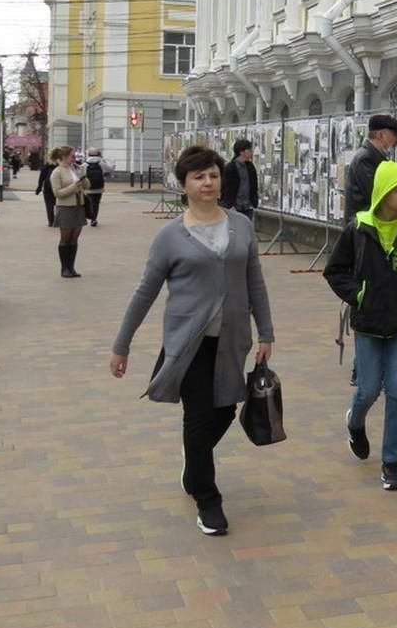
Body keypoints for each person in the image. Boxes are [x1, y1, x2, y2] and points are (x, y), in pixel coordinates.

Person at [109, 145, 275, 537]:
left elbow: (255, 281)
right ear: (183, 184)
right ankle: (208, 498)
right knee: (199, 417)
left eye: (213, 175)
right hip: (188, 344)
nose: (208, 182)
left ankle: (193, 458)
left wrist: (265, 331)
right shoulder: (170, 236)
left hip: (232, 340)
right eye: (198, 176)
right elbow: (145, 291)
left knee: (224, 412)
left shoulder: (241, 227)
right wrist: (122, 344)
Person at [325, 161, 397, 491]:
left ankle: (391, 463)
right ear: (384, 194)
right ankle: (355, 422)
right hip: (368, 323)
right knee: (369, 388)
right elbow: (335, 271)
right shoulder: (357, 229)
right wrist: (360, 295)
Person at [344, 115, 397, 395]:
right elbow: (379, 199)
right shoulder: (367, 160)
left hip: (378, 237)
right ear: (380, 135)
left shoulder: (373, 159)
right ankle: (373, 374)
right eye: (394, 135)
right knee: (373, 302)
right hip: (369, 239)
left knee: (381, 301)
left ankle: (375, 372)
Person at [49, 146, 89, 278]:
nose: (75, 158)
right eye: (72, 156)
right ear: (63, 157)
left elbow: (87, 186)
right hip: (65, 208)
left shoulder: (75, 169)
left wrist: (82, 175)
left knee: (74, 239)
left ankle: (72, 268)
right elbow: (57, 193)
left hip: (79, 206)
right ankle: (64, 269)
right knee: (65, 239)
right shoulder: (57, 172)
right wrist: (74, 186)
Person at [220, 139, 260, 219]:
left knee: (246, 228)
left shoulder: (250, 167)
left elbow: (254, 185)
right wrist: (229, 205)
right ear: (242, 152)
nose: (252, 152)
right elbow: (226, 188)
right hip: (234, 207)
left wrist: (254, 202)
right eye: (249, 149)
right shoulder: (230, 168)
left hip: (248, 206)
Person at [83, 148, 111, 226]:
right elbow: (109, 169)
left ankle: (90, 216)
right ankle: (94, 219)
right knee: (96, 203)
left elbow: (80, 174)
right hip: (99, 187)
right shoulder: (101, 163)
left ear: (88, 154)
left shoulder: (85, 164)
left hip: (88, 188)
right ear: (99, 154)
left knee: (89, 202)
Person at [36, 148, 58, 227]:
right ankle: (58, 220)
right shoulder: (61, 165)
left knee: (49, 204)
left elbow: (42, 177)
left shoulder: (47, 165)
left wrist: (39, 188)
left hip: (48, 186)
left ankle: (51, 221)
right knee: (58, 204)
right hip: (58, 186)